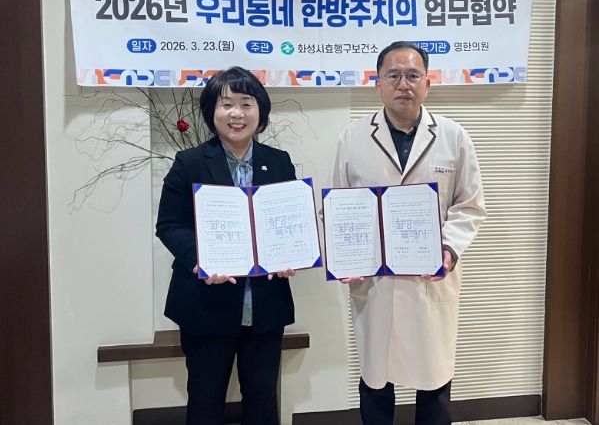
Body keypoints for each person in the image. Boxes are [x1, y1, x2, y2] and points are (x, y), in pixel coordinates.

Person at [330, 41, 486, 425]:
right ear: (378, 84)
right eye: (394, 75)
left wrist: (449, 249)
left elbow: (469, 205)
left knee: (434, 382)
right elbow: (336, 207)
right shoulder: (352, 137)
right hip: (375, 283)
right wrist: (344, 257)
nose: (404, 84)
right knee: (375, 381)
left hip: (429, 280)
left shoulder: (454, 136)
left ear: (427, 84)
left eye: (413, 75)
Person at [156, 66, 296, 425]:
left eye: (247, 104)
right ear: (211, 112)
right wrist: (202, 260)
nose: (237, 114)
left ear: (260, 111)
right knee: (205, 402)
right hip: (206, 304)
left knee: (263, 401)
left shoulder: (278, 162)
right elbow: (169, 225)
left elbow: (288, 222)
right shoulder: (188, 163)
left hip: (265, 306)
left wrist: (289, 253)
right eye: (226, 104)